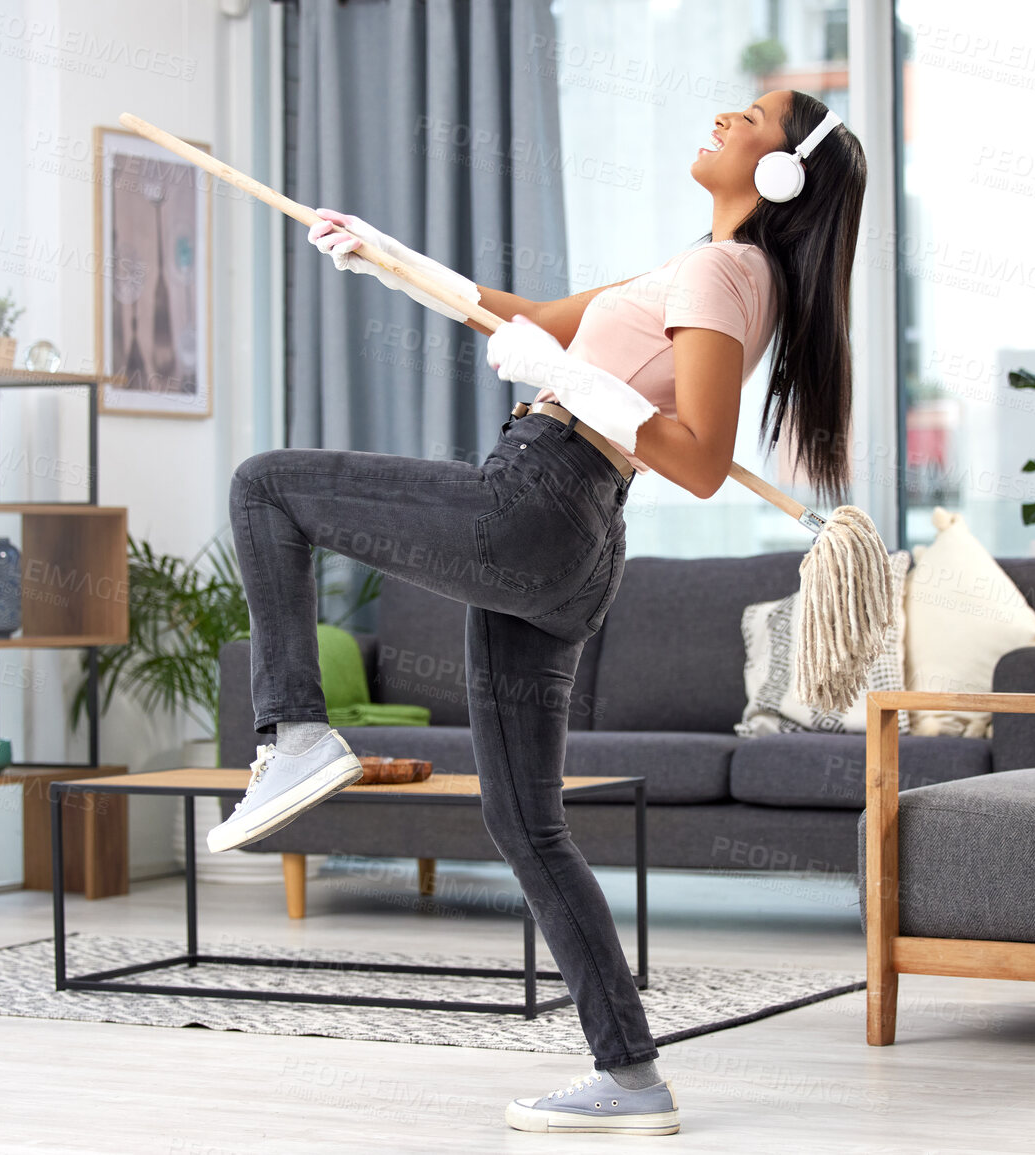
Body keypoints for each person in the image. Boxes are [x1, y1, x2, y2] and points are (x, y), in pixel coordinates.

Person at [208, 88, 866, 1136]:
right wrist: (387, 257)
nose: (720, 118)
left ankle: (291, 733)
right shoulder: (698, 268)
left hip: (540, 498)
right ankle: (630, 1074)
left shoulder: (724, 273)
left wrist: (566, 379)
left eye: (747, 116)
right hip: (573, 537)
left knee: (264, 486)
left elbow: (696, 458)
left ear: (783, 169)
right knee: (525, 820)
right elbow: (521, 319)